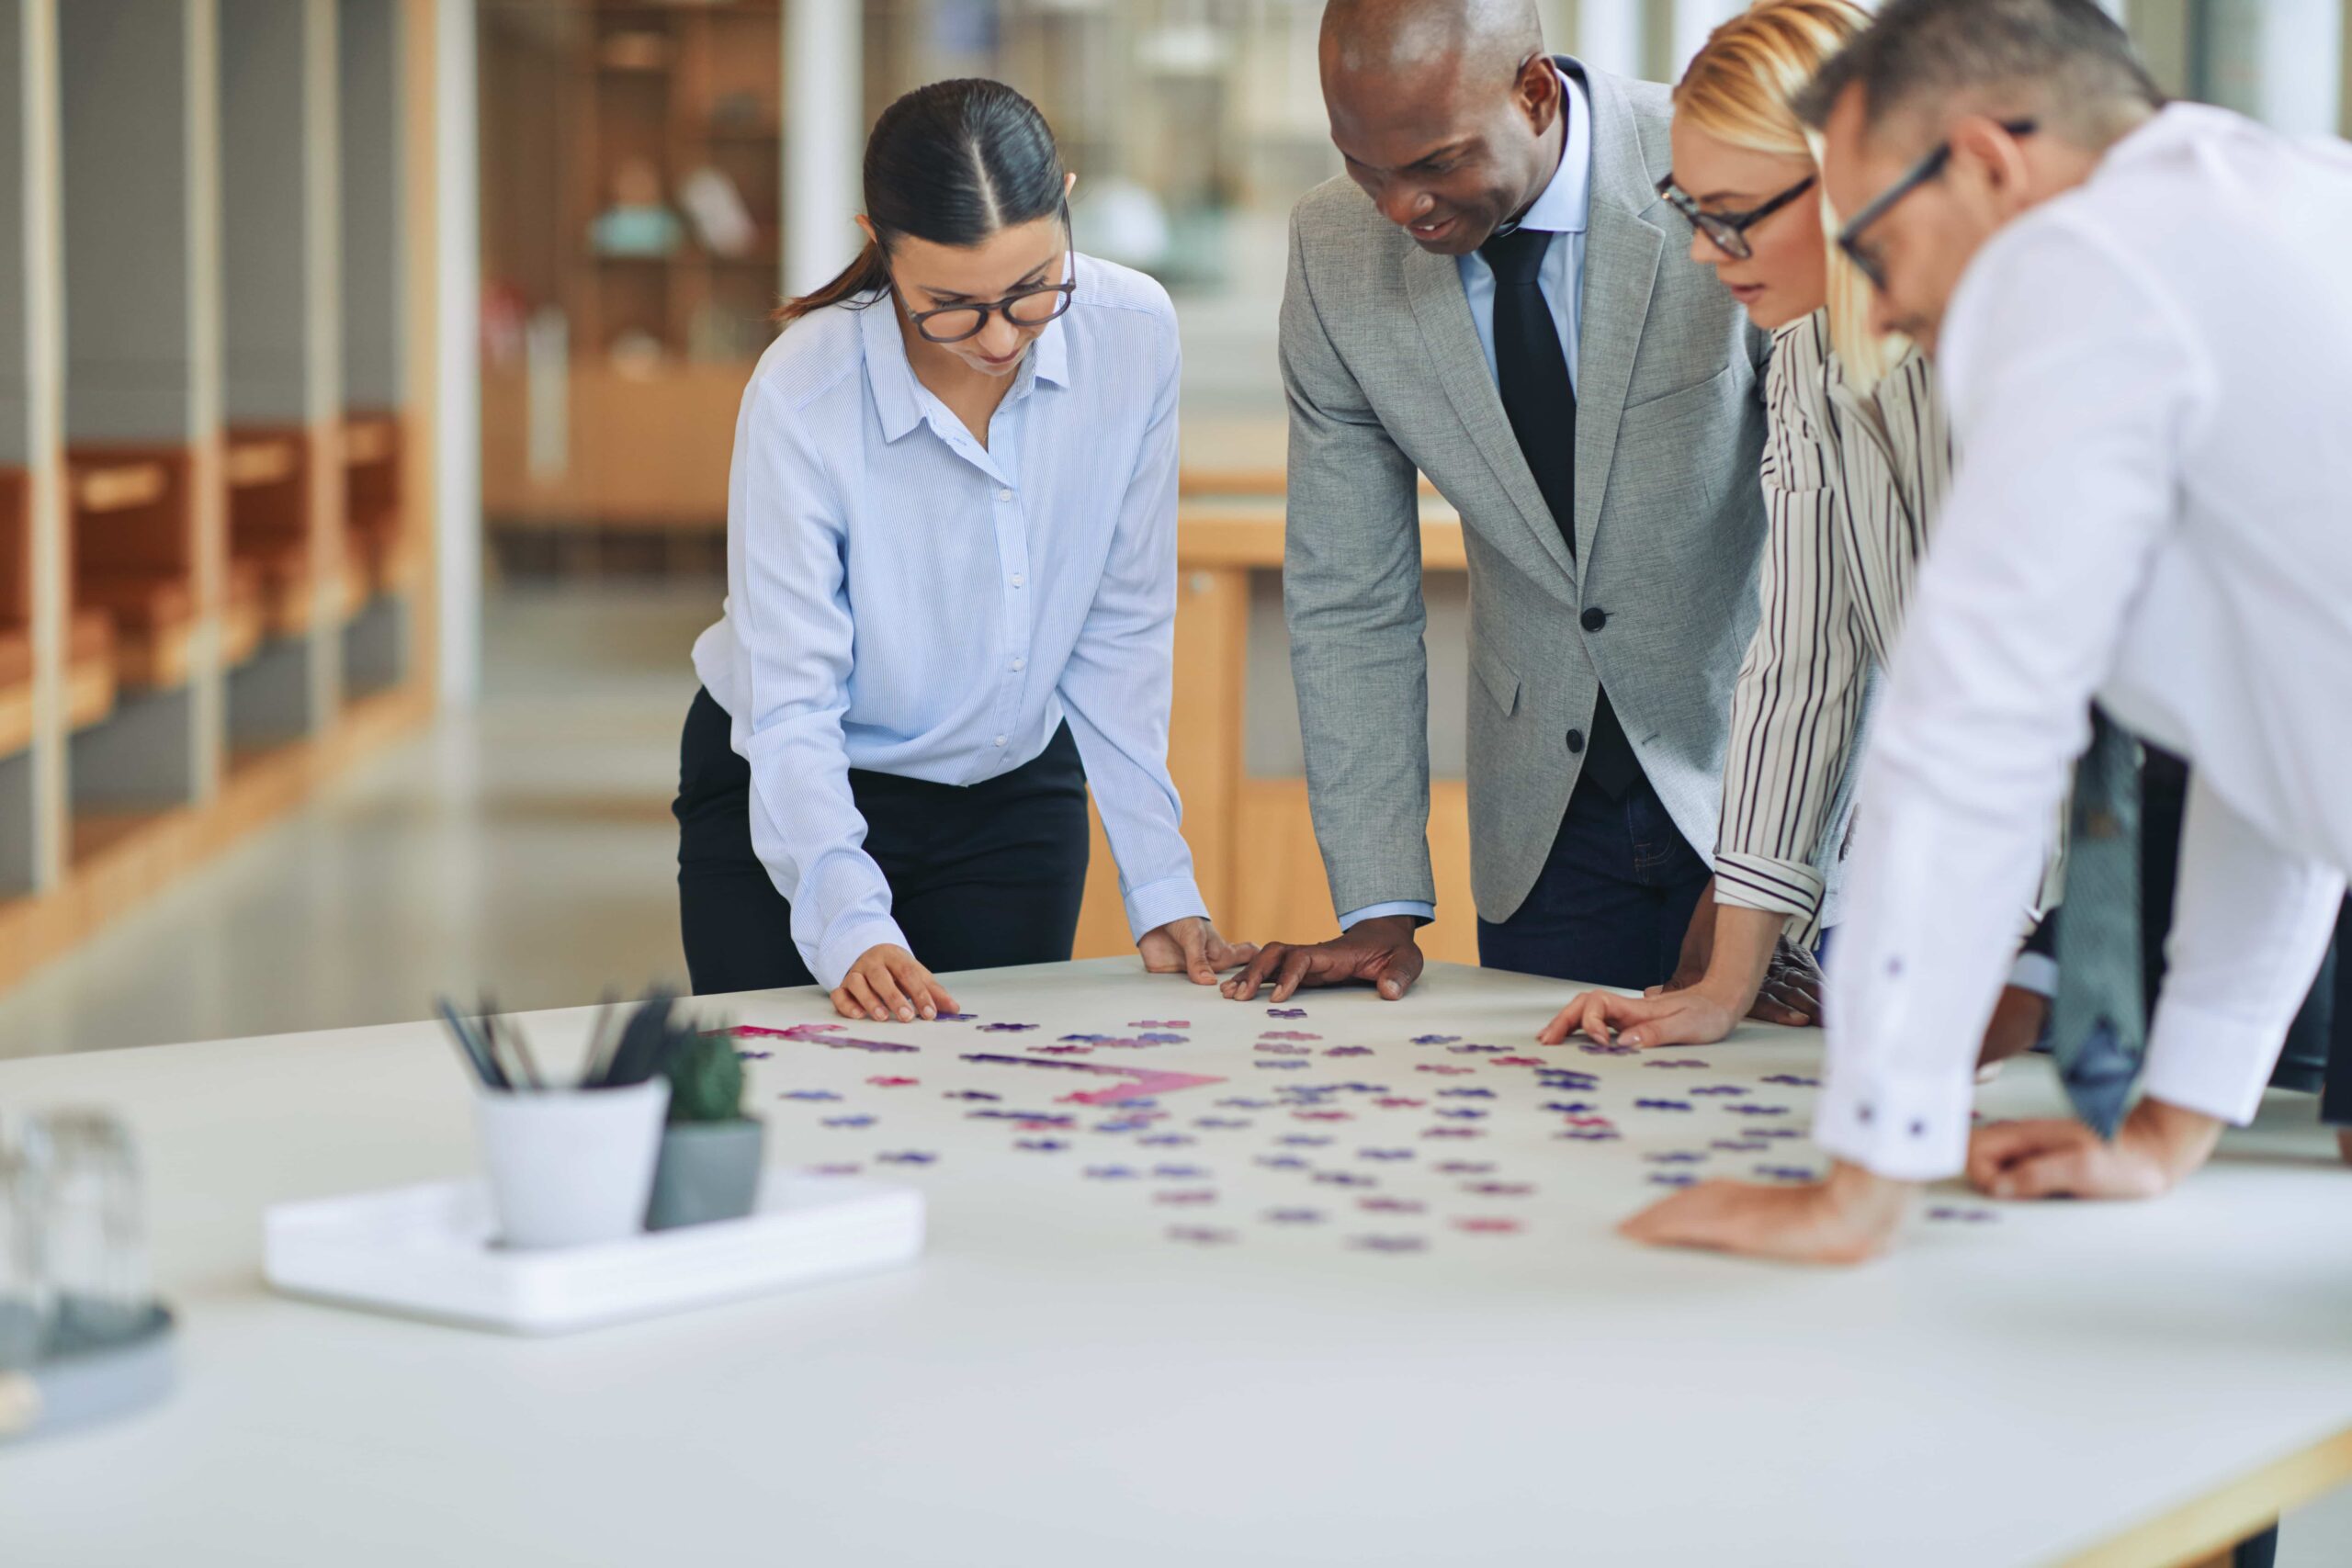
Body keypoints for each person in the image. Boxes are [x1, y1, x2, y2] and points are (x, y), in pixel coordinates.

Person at [1622, 0, 2352, 1265]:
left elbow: (1969, 733)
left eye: (1878, 235)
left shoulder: (2081, 271)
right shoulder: (2279, 201)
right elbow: (2290, 743)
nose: (1877, 288)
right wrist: (2170, 1123)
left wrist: (1864, 1173)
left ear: (1989, 162)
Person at [1225, 0, 1819, 1012]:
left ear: (1535, 92)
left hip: (1763, 775)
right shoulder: (1332, 255)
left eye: (1436, 163)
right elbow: (1348, 595)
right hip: (1545, 832)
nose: (1399, 209)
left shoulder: (1717, 172)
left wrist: (1763, 871)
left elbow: (1835, 560)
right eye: (1367, 169)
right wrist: (1379, 906)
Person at [1537, 0, 2058, 1062]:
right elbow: (1801, 664)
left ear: (1855, 174)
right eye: (1688, 208)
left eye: (1730, 213)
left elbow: (2045, 706)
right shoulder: (1813, 349)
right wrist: (1726, 984)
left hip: (2148, 881)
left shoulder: (2021, 344)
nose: (1699, 252)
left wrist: (2006, 962)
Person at [673, 79, 1253, 1022]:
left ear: (1065, 199)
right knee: (793, 1109)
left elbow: (1121, 628)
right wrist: (848, 919)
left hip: (1009, 795)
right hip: (793, 786)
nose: (997, 339)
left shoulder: (1134, 334)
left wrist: (1161, 884)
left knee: (994, 1116)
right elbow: (792, 700)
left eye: (1032, 293)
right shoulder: (804, 391)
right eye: (949, 305)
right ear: (880, 241)